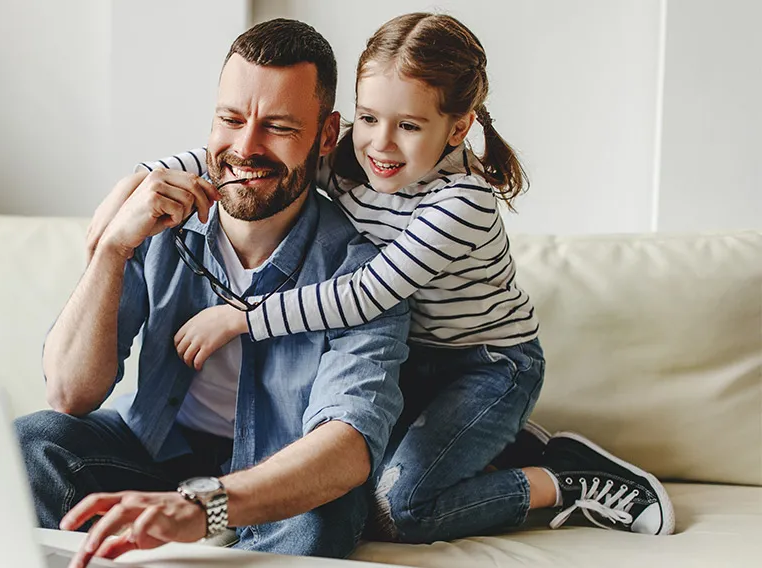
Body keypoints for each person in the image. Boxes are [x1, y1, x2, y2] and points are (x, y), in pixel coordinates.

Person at [92, 13, 675, 542]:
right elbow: (250, 154)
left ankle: (562, 480)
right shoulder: (353, 157)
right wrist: (139, 182)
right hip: (412, 357)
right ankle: (493, 444)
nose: (381, 145)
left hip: (486, 365)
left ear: (457, 126)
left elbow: (368, 292)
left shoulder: (463, 200)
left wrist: (243, 317)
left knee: (397, 507)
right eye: (368, 118)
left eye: (409, 126)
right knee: (334, 477)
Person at [23, 19, 411, 567]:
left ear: (327, 136)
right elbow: (69, 395)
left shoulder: (367, 272)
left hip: (280, 475)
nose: (245, 148)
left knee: (325, 513)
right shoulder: (160, 223)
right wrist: (113, 250)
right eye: (230, 120)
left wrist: (207, 508)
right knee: (35, 441)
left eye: (277, 127)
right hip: (160, 449)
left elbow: (346, 447)